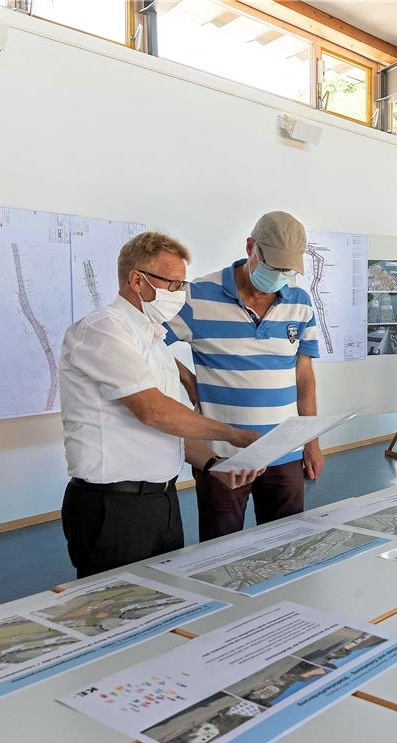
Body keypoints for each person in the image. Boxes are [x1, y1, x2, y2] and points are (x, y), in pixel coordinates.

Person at [59, 232, 262, 578]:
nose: (180, 295)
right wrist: (234, 434)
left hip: (162, 502)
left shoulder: (154, 341)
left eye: (183, 285)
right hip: (114, 507)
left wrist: (215, 463)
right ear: (137, 280)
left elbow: (172, 430)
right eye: (173, 284)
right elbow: (152, 411)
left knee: (165, 608)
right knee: (117, 615)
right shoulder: (103, 330)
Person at [166, 211, 324, 541]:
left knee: (286, 546)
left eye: (287, 269)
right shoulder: (197, 297)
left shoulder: (301, 304)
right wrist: (184, 378)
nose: (280, 275)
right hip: (222, 454)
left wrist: (312, 443)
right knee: (220, 549)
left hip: (285, 452)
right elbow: (146, 341)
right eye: (273, 266)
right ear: (251, 247)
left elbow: (304, 377)